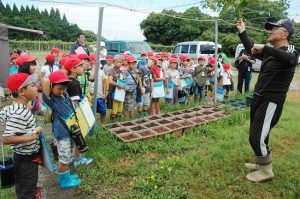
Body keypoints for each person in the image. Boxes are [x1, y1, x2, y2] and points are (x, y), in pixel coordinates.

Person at [236, 18, 299, 182]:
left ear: (285, 33)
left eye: (274, 28)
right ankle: (260, 163)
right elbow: (252, 50)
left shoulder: (290, 50)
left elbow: (291, 60)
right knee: (260, 135)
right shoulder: (271, 52)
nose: (269, 31)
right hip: (258, 98)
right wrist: (242, 31)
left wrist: (265, 48)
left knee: (256, 138)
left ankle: (266, 171)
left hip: (271, 100)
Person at [1, 73, 42, 198]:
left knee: (26, 187)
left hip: (23, 158)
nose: (36, 88)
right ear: (22, 91)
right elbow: (6, 139)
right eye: (32, 85)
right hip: (26, 161)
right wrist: (32, 136)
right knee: (27, 191)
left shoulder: (11, 108)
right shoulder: (20, 112)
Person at [42, 70, 81, 189]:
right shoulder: (51, 99)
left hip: (69, 130)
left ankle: (67, 176)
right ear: (51, 87)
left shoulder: (65, 95)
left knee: (68, 154)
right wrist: (50, 80)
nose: (62, 91)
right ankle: (64, 181)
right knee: (64, 157)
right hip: (62, 133)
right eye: (59, 88)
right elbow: (46, 87)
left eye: (64, 88)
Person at [65, 57, 94, 167]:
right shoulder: (75, 83)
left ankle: (72, 157)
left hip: (67, 115)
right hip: (74, 115)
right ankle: (78, 159)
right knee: (79, 136)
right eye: (81, 66)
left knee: (72, 138)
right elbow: (75, 104)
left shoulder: (67, 81)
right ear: (73, 69)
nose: (83, 68)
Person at [108, 55, 126, 121]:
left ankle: (118, 120)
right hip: (114, 91)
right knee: (114, 106)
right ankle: (113, 121)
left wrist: (125, 87)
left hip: (121, 92)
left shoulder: (122, 70)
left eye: (120, 62)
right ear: (114, 62)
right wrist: (117, 85)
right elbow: (110, 81)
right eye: (117, 62)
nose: (119, 63)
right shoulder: (112, 70)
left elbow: (124, 81)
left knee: (120, 106)